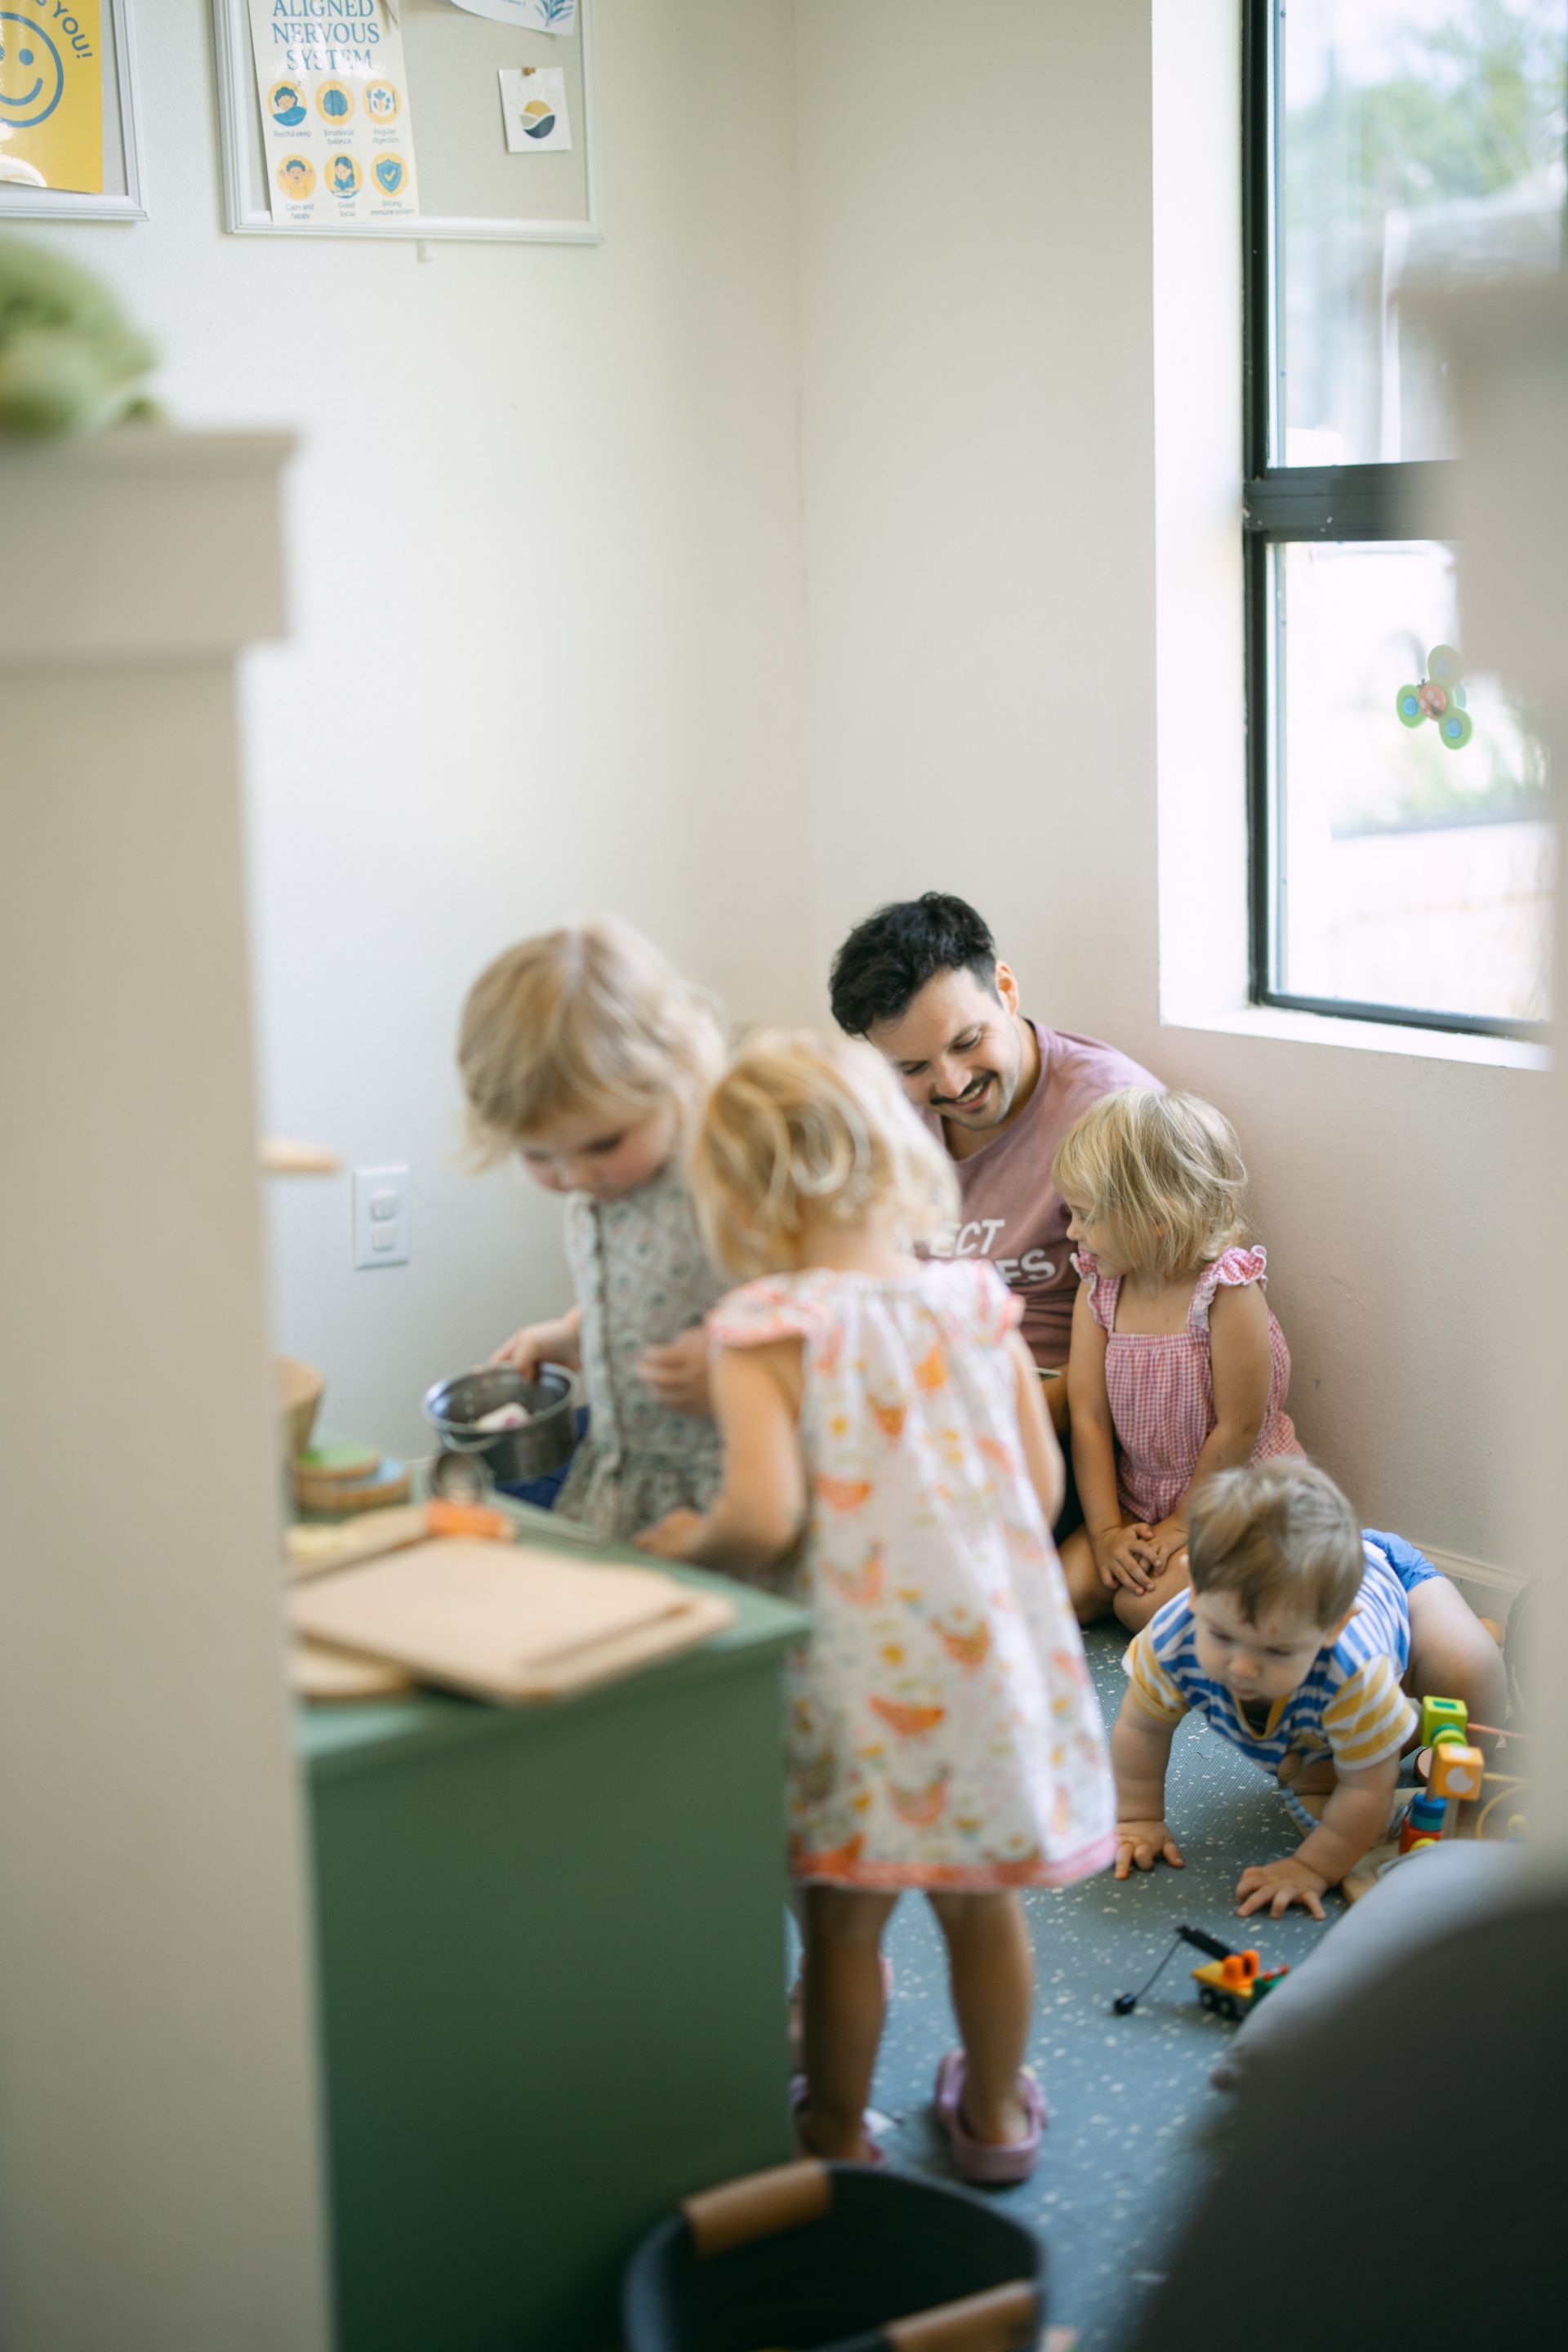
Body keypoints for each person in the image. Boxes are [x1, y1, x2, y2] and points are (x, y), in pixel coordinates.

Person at [636, 1031, 1115, 2181]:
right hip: (984, 1674)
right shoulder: (977, 1307)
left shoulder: (766, 1328)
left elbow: (760, 1514)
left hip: (851, 1691)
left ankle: (838, 2133)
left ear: (740, 1194)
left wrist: (682, 1542)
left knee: (846, 1930)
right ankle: (996, 2116)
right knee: (984, 1911)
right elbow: (1041, 1490)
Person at [1110, 1459, 1510, 1919]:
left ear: (1334, 1628)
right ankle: (1397, 1714)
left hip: (1400, 1584)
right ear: (1195, 1589)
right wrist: (1138, 1818)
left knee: (1470, 1678)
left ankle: (1472, 1640)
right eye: (1221, 1635)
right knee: (1314, 1771)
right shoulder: (1173, 1637)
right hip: (1335, 1689)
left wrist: (1313, 1868)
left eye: (1276, 1652)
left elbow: (1368, 1789)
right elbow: (1141, 1729)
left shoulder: (1352, 1672)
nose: (1242, 1668)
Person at [827, 893, 1161, 1438]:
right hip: (907, 1394)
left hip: (1042, 1420)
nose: (953, 1083)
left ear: (1005, 989)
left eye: (967, 1041)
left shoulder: (1111, 1116)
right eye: (913, 1067)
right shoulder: (883, 1112)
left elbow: (1153, 1346)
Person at [457, 919, 727, 1543]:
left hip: (726, 1492)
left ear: (674, 1071)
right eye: (539, 1155)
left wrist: (741, 1368)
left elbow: (828, 1309)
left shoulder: (725, 1172)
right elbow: (649, 1285)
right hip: (622, 1482)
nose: (575, 1175)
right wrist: (573, 1332)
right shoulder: (604, 1185)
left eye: (603, 1142)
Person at [1053, 1087, 1304, 1629]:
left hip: (1231, 1498)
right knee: (1058, 1595)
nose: (1073, 1233)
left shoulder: (1226, 1293)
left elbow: (1237, 1430)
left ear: (1157, 1218)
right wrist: (1106, 1534)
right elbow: (1089, 1418)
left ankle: (1285, 1589)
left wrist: (1184, 1526)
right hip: (1139, 1498)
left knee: (1139, 1604)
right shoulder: (1099, 1286)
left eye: (1085, 1216)